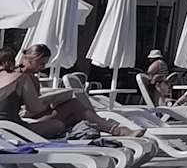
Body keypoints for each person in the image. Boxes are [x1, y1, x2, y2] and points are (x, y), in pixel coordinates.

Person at [0, 44, 140, 139]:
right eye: (41, 63)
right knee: (70, 110)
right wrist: (51, 101)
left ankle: (111, 130)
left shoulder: (17, 76)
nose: (43, 67)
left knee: (72, 109)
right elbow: (33, 110)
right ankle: (115, 130)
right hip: (15, 127)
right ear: (31, 59)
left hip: (11, 126)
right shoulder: (22, 78)